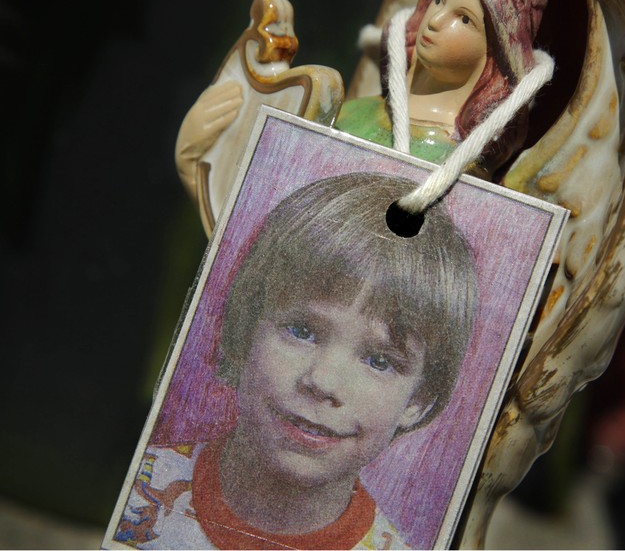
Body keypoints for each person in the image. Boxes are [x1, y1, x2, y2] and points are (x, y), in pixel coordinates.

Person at [112, 173, 478, 550]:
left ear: (419, 400)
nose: (323, 382)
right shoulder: (140, 490)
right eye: (302, 331)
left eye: (379, 361)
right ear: (246, 328)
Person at [335, 0, 547, 177]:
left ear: (496, 49)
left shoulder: (459, 169)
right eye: (438, 0)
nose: (435, 20)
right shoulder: (352, 110)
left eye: (465, 19)